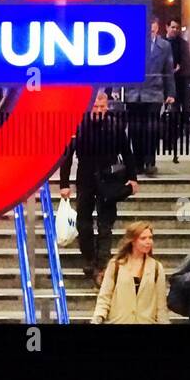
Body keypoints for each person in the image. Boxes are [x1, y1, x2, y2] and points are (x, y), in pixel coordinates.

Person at [60, 89, 139, 286]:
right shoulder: (78, 126)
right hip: (85, 178)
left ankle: (101, 265)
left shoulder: (115, 126)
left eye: (102, 107)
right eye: (95, 107)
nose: (98, 110)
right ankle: (90, 258)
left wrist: (133, 177)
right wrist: (64, 184)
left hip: (109, 180)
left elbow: (127, 152)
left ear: (107, 107)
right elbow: (67, 156)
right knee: (83, 224)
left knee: (105, 225)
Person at [91, 221, 169, 325]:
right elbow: (105, 296)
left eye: (150, 238)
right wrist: (98, 317)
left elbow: (161, 305)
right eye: (143, 238)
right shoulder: (116, 265)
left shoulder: (156, 268)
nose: (148, 242)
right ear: (132, 241)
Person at [124, 17, 175, 175]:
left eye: (152, 30)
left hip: (154, 91)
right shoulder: (132, 43)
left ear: (157, 29)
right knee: (134, 129)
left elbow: (168, 70)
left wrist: (171, 92)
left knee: (151, 129)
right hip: (134, 93)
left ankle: (149, 161)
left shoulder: (165, 46)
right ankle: (137, 162)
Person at [165, 20, 190, 162]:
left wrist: (178, 69)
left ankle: (174, 139)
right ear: (167, 27)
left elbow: (186, 62)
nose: (175, 30)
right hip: (164, 81)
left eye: (177, 28)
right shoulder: (161, 43)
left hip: (179, 82)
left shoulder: (182, 44)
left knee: (177, 113)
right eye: (172, 27)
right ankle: (168, 138)